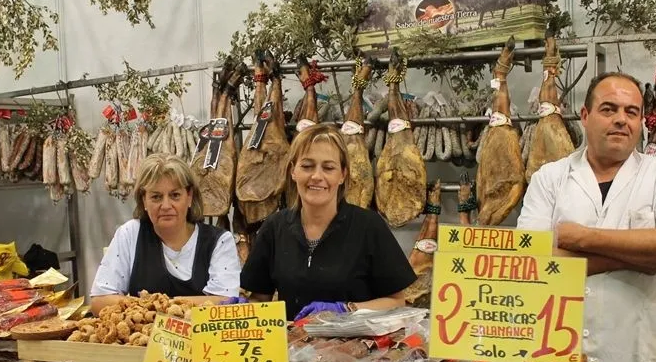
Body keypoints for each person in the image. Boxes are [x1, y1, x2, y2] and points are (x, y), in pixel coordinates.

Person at [517, 71, 656, 362]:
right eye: (608, 109)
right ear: (585, 116)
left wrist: (581, 238)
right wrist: (640, 257)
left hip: (637, 355)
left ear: (641, 121)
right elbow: (532, 261)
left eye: (632, 112)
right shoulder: (550, 178)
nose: (620, 120)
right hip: (560, 353)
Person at [240, 123, 416, 321]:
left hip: (353, 349)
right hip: (294, 349)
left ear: (342, 175)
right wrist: (241, 310)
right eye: (307, 166)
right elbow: (260, 299)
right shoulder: (274, 227)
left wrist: (346, 309)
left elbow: (397, 302)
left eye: (328, 168)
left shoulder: (368, 226)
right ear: (293, 171)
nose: (317, 176)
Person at [90, 154, 240, 313]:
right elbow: (100, 301)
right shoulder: (130, 234)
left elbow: (226, 302)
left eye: (175, 195)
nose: (166, 205)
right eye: (156, 197)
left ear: (189, 197)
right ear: (144, 200)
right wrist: (164, 307)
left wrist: (156, 305)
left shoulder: (219, 241)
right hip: (144, 336)